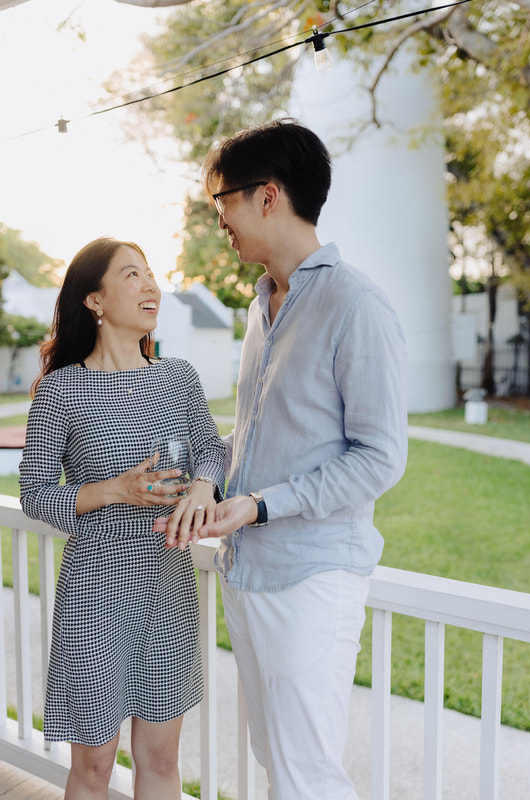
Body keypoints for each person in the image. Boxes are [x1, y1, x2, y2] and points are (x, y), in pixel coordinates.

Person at [160, 119, 408, 800]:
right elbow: (251, 433)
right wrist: (209, 478)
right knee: (279, 763)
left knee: (307, 777)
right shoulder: (261, 307)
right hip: (249, 573)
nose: (220, 223)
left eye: (223, 203)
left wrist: (265, 504)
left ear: (267, 195)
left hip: (312, 578)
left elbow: (381, 458)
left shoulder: (356, 304)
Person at [19, 236, 225, 800]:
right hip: (93, 595)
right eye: (132, 275)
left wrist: (204, 486)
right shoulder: (61, 391)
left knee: (159, 760)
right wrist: (115, 490)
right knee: (94, 769)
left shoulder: (178, 378)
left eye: (152, 275)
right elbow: (36, 494)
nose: (151, 286)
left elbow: (211, 449)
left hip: (167, 590)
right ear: (95, 299)